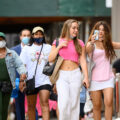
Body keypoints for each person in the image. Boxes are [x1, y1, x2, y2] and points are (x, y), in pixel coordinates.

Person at [48, 19, 89, 120]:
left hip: (76, 74)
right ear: (67, 28)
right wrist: (59, 47)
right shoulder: (57, 41)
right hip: (62, 75)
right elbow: (50, 58)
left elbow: (83, 61)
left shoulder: (80, 43)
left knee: (74, 103)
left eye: (77, 28)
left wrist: (86, 77)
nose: (76, 30)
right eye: (73, 28)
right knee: (64, 102)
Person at [86, 21, 120, 120]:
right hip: (94, 79)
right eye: (99, 29)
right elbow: (87, 50)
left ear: (106, 32)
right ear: (95, 31)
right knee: (97, 106)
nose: (101, 32)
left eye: (103, 30)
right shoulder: (90, 44)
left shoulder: (108, 44)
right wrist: (92, 42)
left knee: (109, 102)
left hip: (108, 77)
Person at [20, 26, 52, 120]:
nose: (39, 36)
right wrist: (22, 80)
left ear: (43, 35)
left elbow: (53, 62)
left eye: (40, 34)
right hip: (31, 80)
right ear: (33, 36)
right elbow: (22, 65)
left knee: (45, 103)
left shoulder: (48, 47)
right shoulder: (26, 49)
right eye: (36, 34)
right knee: (31, 106)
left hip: (45, 80)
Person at [0, 32, 26, 120]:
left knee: (4, 108)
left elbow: (20, 65)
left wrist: (23, 73)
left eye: (1, 40)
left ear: (5, 41)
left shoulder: (12, 53)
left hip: (7, 84)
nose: (0, 42)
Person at [11, 29, 31, 120]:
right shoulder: (13, 50)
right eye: (24, 35)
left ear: (30, 37)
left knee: (32, 105)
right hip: (18, 81)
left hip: (31, 81)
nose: (26, 37)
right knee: (19, 107)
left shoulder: (33, 49)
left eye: (28, 35)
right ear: (20, 37)